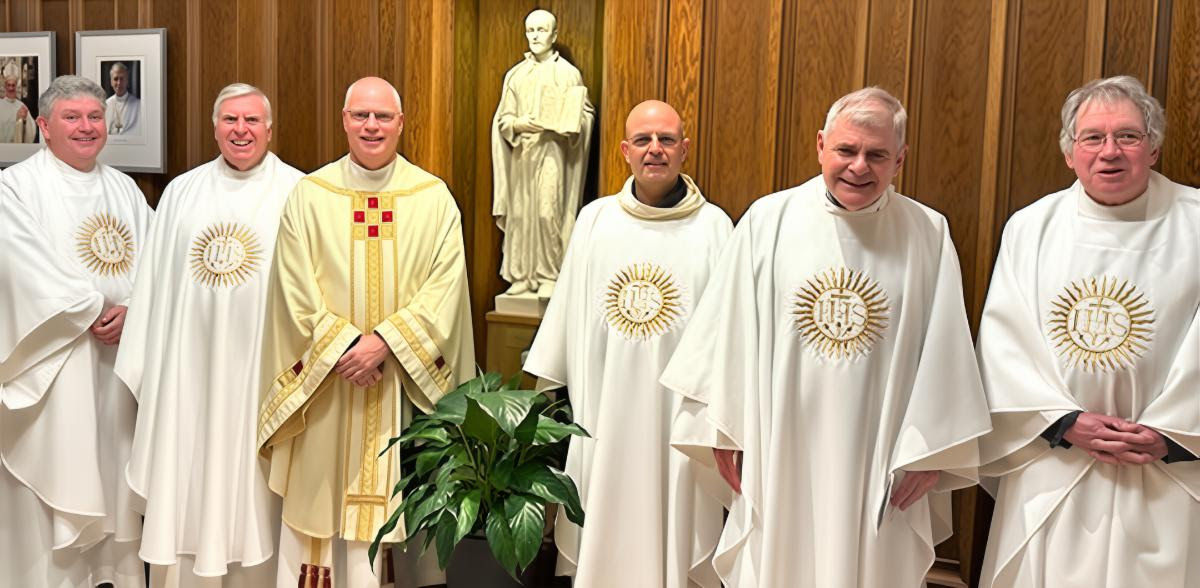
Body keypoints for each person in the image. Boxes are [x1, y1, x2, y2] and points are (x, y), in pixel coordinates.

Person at [660, 87, 991, 587]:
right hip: (780, 446)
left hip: (878, 458)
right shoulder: (766, 222)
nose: (859, 166)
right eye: (846, 150)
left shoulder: (927, 232)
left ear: (899, 159)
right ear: (820, 146)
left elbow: (945, 352)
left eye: (877, 154)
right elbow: (723, 334)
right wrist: (721, 429)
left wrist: (932, 454)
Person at [976, 75, 1200, 587]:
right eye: (1092, 138)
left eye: (1128, 136)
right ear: (1069, 153)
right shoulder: (1031, 228)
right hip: (1056, 465)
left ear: (1155, 148)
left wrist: (1173, 432)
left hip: (1169, 468)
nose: (1110, 152)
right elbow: (1004, 344)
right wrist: (1062, 421)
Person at [257, 76, 474, 588]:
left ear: (400, 123)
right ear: (344, 121)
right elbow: (293, 288)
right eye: (360, 116)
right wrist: (345, 348)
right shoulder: (310, 195)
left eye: (382, 117)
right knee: (320, 513)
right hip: (328, 387)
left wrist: (383, 344)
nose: (371, 126)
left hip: (400, 384)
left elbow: (446, 288)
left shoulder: (432, 197)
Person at [524, 100, 730, 588]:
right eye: (643, 140)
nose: (654, 150)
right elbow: (568, 317)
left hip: (678, 425)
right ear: (624, 151)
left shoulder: (716, 229)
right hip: (605, 414)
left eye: (666, 140)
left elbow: (728, 336)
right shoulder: (595, 222)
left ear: (684, 149)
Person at [115, 83, 303, 587]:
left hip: (262, 375)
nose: (240, 131)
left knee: (258, 495)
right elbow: (154, 286)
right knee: (186, 479)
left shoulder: (300, 191)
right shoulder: (182, 191)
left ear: (269, 128)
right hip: (188, 375)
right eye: (230, 121)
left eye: (251, 121)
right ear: (214, 127)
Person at [1, 74, 153, 587]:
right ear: (43, 125)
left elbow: (159, 263)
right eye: (72, 117)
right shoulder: (15, 188)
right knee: (61, 469)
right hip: (57, 364)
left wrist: (134, 306)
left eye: (93, 116)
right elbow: (21, 267)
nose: (87, 127)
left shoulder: (124, 188)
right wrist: (90, 307)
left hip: (117, 365)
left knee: (114, 472)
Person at [491, 8, 594, 298]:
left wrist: (570, 126)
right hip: (523, 154)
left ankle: (549, 272)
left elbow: (584, 115)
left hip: (553, 152)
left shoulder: (568, 74)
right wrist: (518, 123)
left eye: (541, 30)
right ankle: (522, 273)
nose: (535, 36)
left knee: (548, 211)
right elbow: (503, 119)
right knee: (522, 213)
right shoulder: (516, 75)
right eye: (531, 31)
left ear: (554, 35)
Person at [105, 62, 140, 135]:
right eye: (115, 79)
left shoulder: (138, 105)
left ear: (127, 81)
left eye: (122, 79)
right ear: (111, 82)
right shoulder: (105, 104)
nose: (119, 83)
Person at [0, 76, 35, 142]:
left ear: (16, 87)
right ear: (5, 87)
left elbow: (31, 129)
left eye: (13, 85)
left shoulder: (22, 106)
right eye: (9, 85)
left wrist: (24, 121)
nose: (11, 88)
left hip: (17, 147)